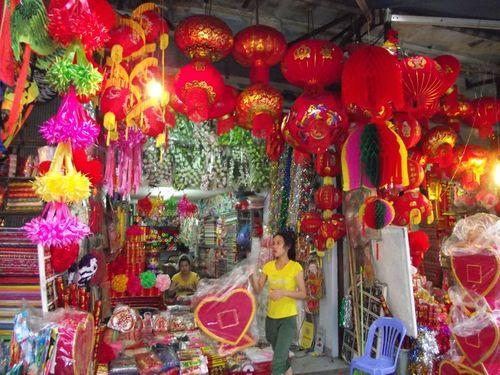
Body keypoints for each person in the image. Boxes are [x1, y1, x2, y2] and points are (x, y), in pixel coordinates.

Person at [250, 229, 306, 375]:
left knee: (277, 362)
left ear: (287, 247)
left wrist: (284, 293)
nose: (274, 246)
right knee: (282, 356)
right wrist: (251, 275)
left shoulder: (295, 267)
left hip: (287, 319)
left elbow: (303, 294)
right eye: (273, 243)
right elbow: (258, 289)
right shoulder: (268, 267)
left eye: (278, 243)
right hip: (271, 320)